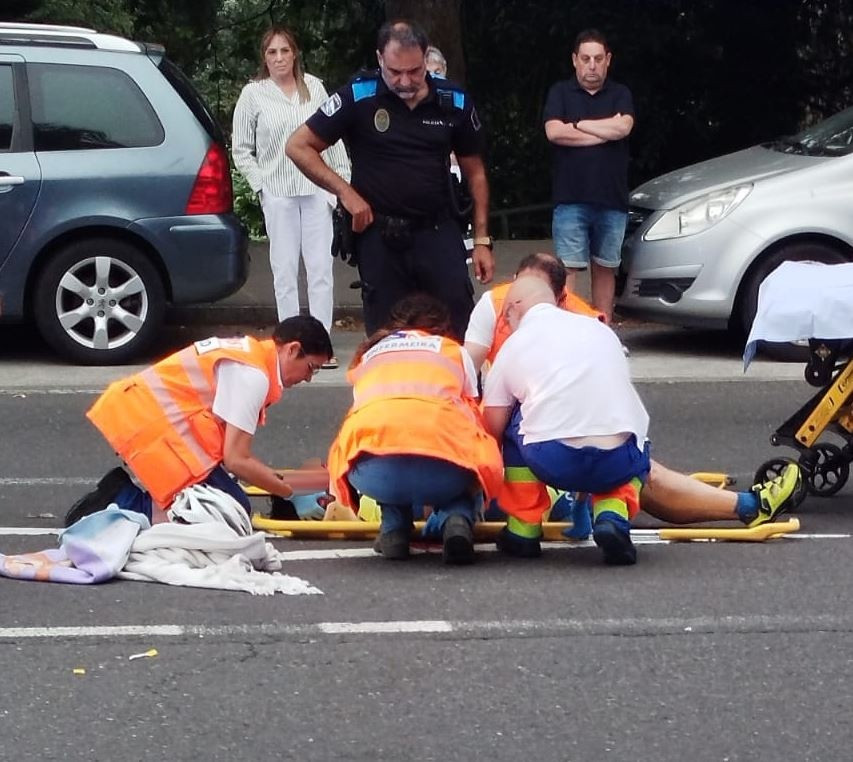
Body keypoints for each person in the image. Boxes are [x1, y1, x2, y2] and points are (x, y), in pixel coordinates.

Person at [465, 251, 804, 536]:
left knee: (540, 431)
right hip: (585, 446)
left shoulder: (515, 310)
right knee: (627, 454)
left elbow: (470, 381)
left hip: (538, 448)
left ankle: (531, 520)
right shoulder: (586, 324)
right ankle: (743, 506)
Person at [285, 19, 495, 341]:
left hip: (437, 232)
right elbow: (298, 146)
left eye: (414, 70)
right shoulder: (359, 95)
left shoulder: (453, 101)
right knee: (385, 336)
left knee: (456, 327)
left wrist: (481, 239)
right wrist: (345, 192)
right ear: (380, 58)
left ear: (426, 58)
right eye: (395, 71)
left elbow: (476, 172)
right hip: (380, 236)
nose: (405, 80)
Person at [64, 317, 334, 527]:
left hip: (141, 417)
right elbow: (237, 460)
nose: (309, 378)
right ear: (292, 350)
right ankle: (125, 502)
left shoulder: (249, 356)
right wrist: (288, 493)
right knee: (227, 512)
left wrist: (278, 485)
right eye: (311, 368)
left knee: (225, 498)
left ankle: (129, 498)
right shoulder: (253, 375)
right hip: (152, 429)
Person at [482, 276, 652, 564]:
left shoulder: (515, 344)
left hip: (553, 458)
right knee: (632, 427)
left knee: (513, 416)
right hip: (617, 461)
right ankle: (612, 515)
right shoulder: (600, 331)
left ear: (513, 308)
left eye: (504, 317)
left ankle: (522, 529)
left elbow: (492, 426)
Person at [327, 294, 503, 564]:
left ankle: (393, 530)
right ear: (442, 327)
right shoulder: (454, 351)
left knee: (380, 437)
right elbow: (471, 409)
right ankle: (456, 518)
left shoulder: (370, 352)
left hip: (375, 475)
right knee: (472, 438)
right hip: (445, 472)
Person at [232, 25, 351, 368]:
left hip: (316, 189)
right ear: (264, 58)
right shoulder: (254, 93)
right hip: (279, 192)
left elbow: (334, 137)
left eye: (285, 51)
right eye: (272, 52)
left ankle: (321, 344)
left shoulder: (313, 87)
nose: (280, 58)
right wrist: (261, 185)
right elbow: (241, 149)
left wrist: (339, 185)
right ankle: (288, 344)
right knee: (284, 270)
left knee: (320, 269)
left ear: (295, 53)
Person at [543, 28, 634, 323]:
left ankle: (604, 334)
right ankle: (569, 332)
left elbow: (623, 128)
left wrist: (579, 124)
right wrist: (603, 131)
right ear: (574, 60)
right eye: (585, 59)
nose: (592, 65)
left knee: (606, 268)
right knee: (568, 270)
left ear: (608, 60)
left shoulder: (621, 93)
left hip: (612, 199)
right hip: (570, 199)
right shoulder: (560, 92)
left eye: (597, 58)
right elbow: (554, 132)